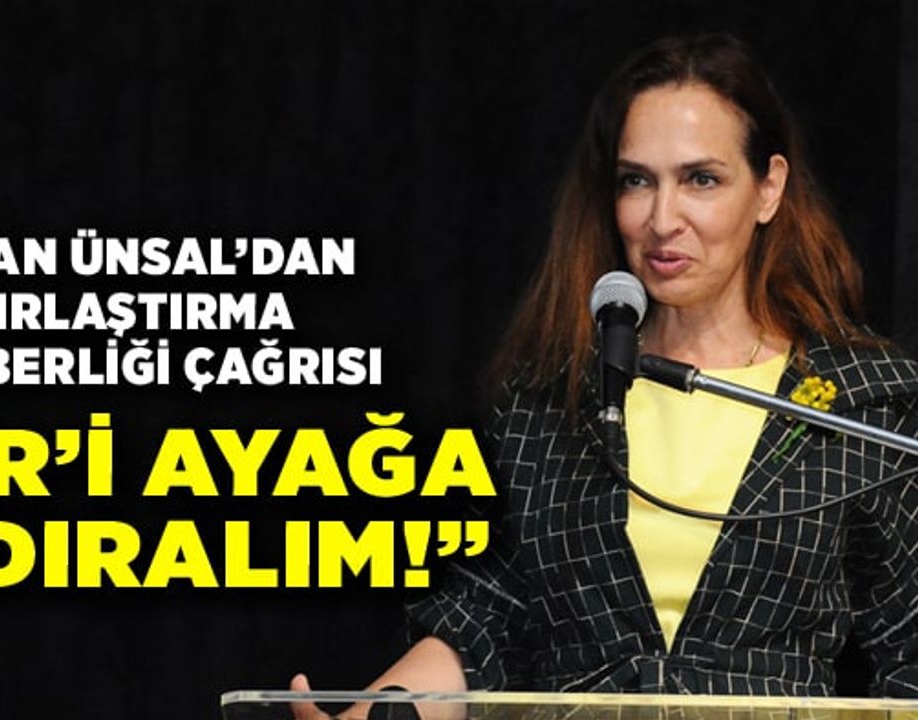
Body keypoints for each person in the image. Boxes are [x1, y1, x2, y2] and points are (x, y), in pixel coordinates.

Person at [291, 32, 917, 715]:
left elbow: (909, 651)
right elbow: (484, 619)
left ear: (768, 188)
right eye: (636, 181)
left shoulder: (863, 402)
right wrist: (375, 712)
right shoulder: (550, 398)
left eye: (701, 180)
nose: (661, 219)